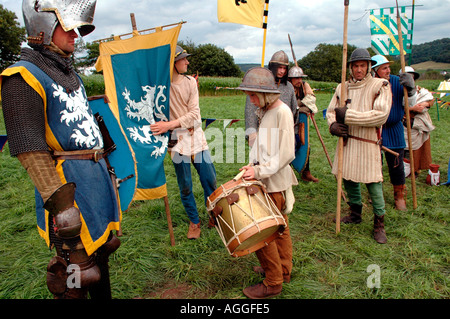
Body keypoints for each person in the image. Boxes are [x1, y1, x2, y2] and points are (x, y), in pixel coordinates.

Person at [0, 0, 120, 299]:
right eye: (67, 28)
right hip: (66, 187)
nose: (75, 36)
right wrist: (63, 209)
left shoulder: (70, 74)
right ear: (44, 27)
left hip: (95, 180)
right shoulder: (21, 76)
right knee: (76, 271)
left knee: (102, 255)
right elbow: (30, 148)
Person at [238, 67, 298, 299]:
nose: (250, 100)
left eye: (253, 95)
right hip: (266, 180)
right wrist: (252, 166)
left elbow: (286, 154)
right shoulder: (266, 110)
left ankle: (273, 282)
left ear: (265, 94)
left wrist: (259, 171)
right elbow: (264, 147)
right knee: (280, 230)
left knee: (264, 234)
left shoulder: (282, 112)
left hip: (273, 183)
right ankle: (282, 270)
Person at [150, 45, 217, 240]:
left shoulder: (190, 83)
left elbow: (196, 115)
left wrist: (169, 124)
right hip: (176, 144)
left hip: (196, 139)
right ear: (173, 62)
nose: (187, 62)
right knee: (185, 185)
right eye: (183, 59)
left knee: (209, 180)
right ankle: (194, 222)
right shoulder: (159, 87)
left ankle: (214, 215)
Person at [327, 48, 392, 244]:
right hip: (346, 143)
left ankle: (379, 223)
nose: (358, 69)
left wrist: (347, 116)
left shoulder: (380, 85)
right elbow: (331, 111)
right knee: (348, 178)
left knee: (373, 182)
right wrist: (333, 125)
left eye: (362, 65)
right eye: (355, 66)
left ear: (369, 66)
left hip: (368, 142)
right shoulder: (342, 88)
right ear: (350, 68)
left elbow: (380, 115)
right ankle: (355, 214)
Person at [371, 55, 418, 211]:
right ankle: (377, 195)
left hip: (394, 129)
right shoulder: (370, 85)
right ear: (375, 71)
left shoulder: (398, 82)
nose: (388, 70)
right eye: (384, 68)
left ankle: (399, 196)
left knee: (396, 165)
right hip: (375, 130)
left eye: (388, 67)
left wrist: (410, 90)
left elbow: (409, 104)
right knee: (375, 164)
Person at [245, 50, 297, 147]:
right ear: (273, 67)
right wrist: (252, 135)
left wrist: (292, 134)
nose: (282, 71)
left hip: (283, 134)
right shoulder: (262, 85)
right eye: (280, 67)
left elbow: (293, 112)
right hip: (263, 133)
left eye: (285, 68)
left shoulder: (289, 87)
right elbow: (250, 112)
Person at [401, 66, 435, 176]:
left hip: (418, 124)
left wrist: (426, 104)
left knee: (418, 150)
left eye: (412, 77)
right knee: (405, 149)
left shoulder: (420, 91)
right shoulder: (397, 92)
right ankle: (406, 170)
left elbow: (430, 99)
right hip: (404, 123)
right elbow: (395, 107)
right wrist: (412, 109)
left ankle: (415, 169)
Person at [288, 65, 319, 182]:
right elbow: (288, 105)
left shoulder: (304, 86)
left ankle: (306, 173)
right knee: (288, 146)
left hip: (300, 123)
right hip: (288, 122)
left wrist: (298, 106)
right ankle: (287, 173)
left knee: (304, 146)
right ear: (290, 79)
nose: (299, 80)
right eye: (296, 78)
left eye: (300, 77)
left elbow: (311, 99)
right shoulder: (286, 87)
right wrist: (300, 106)